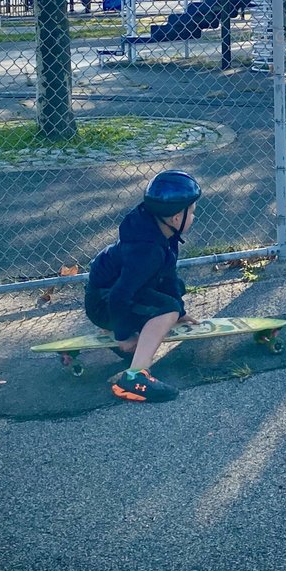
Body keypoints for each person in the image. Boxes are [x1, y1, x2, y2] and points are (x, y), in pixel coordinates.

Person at [85, 170, 202, 403]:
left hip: (116, 295)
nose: (194, 217)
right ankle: (135, 377)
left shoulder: (160, 231)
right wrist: (124, 335)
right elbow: (120, 295)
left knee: (174, 295)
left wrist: (181, 310)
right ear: (177, 218)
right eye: (193, 212)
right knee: (166, 307)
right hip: (104, 301)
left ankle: (128, 334)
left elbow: (168, 276)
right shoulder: (146, 250)